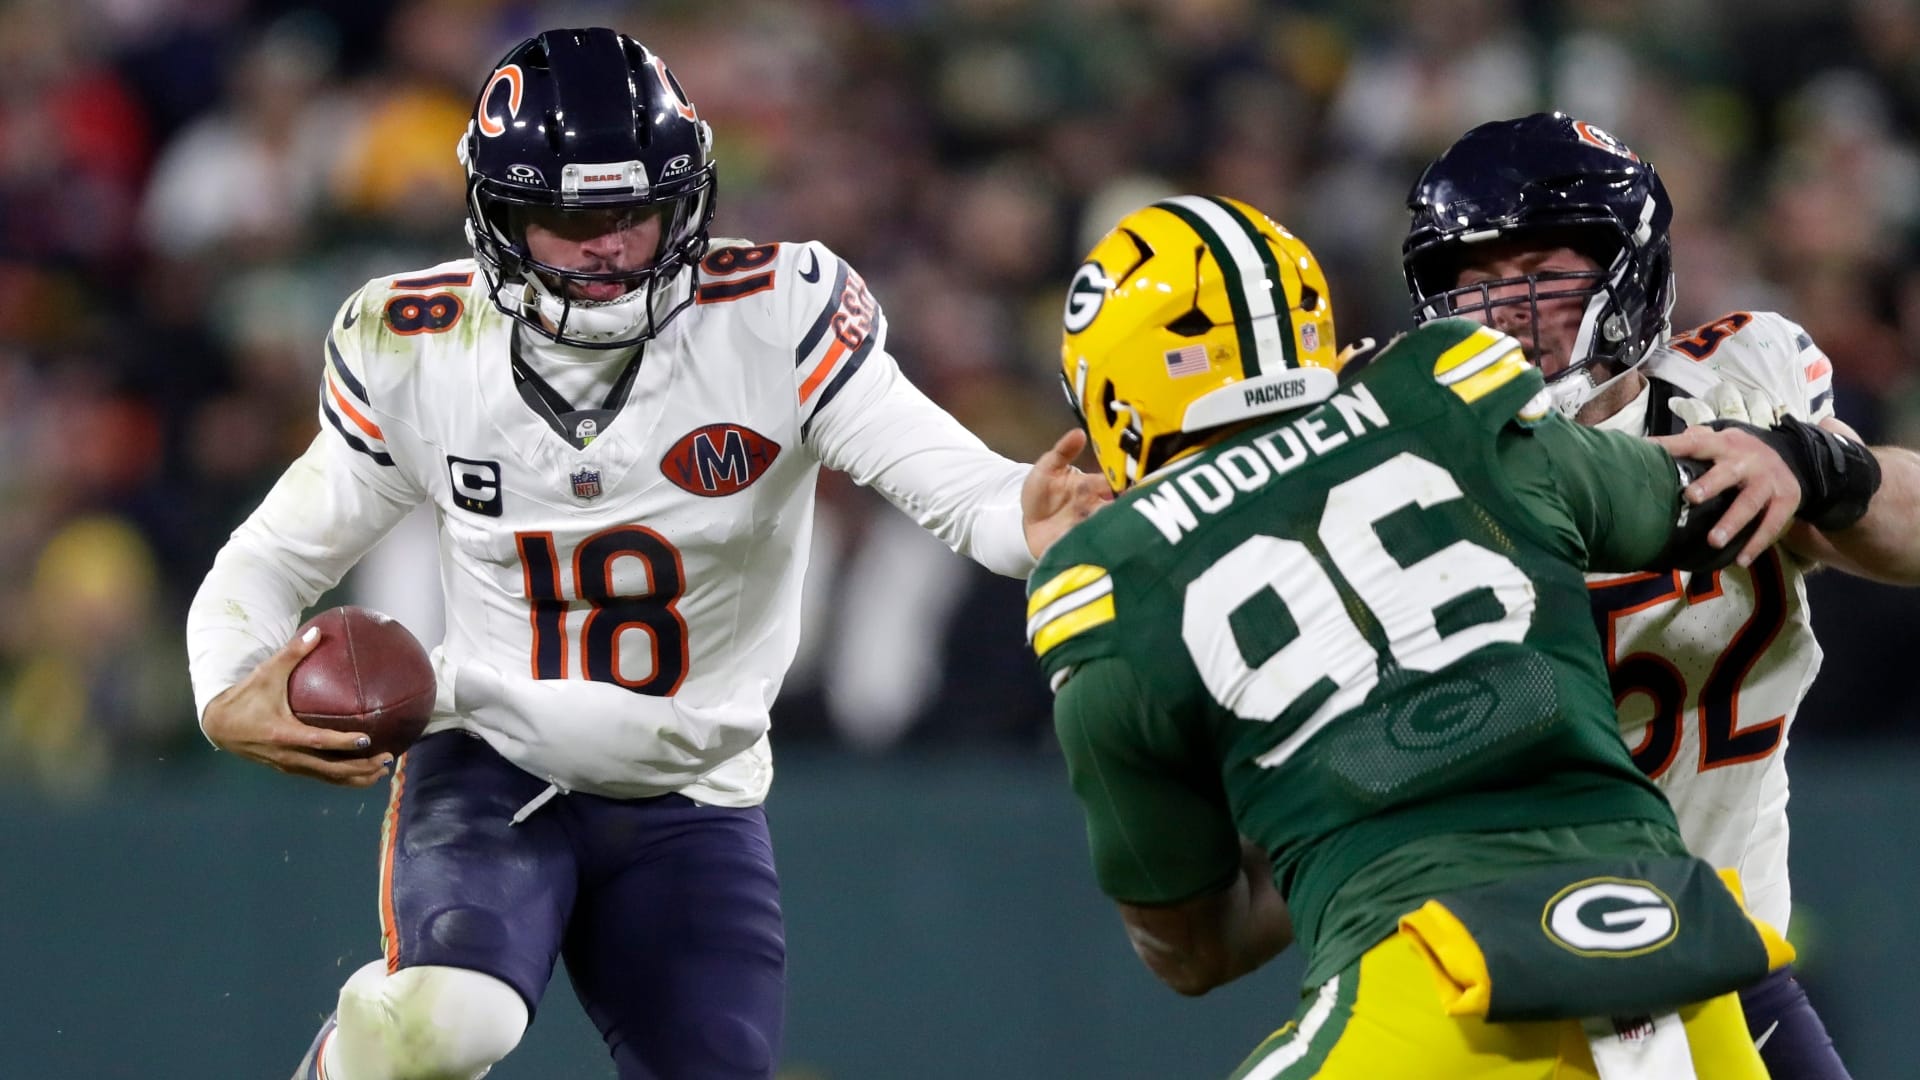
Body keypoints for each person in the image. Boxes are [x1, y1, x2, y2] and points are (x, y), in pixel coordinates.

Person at [184, 28, 1106, 1080]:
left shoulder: (775, 318)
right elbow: (265, 561)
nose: (609, 249)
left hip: (693, 794)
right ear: (498, 214)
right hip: (496, 763)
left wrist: (1025, 517)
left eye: (631, 212)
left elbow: (956, 485)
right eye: (568, 220)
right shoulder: (420, 346)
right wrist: (222, 689)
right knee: (445, 1026)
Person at [1028, 194, 1852, 1078]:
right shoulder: (1452, 394)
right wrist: (1816, 458)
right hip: (1678, 953)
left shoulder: (1105, 588)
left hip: (1439, 997)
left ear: (1112, 393)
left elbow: (1195, 951)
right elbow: (1705, 494)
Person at [1403, 112, 1915, 1079]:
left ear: (1625, 272)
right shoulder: (1402, 450)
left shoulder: (1737, 386)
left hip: (1720, 969)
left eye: (1542, 276)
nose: (1502, 313)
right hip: (1491, 985)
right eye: (1469, 285)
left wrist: (1815, 467)